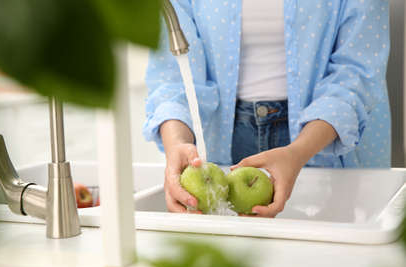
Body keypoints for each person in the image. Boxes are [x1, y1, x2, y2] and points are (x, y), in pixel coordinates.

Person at [143, 0, 391, 217]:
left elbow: (356, 71)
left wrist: (298, 152)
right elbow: (173, 75)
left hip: (325, 141)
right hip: (219, 144)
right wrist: (176, 143)